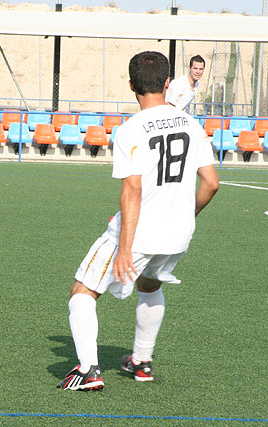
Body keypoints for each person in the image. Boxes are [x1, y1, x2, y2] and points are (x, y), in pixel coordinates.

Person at [57, 51, 219, 391]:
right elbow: (211, 183)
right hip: (178, 233)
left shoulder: (131, 129)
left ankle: (88, 370)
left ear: (131, 85)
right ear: (167, 83)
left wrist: (124, 248)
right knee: (150, 285)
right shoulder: (191, 124)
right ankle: (141, 362)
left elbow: (132, 190)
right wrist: (185, 216)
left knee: (82, 291)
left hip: (139, 232)